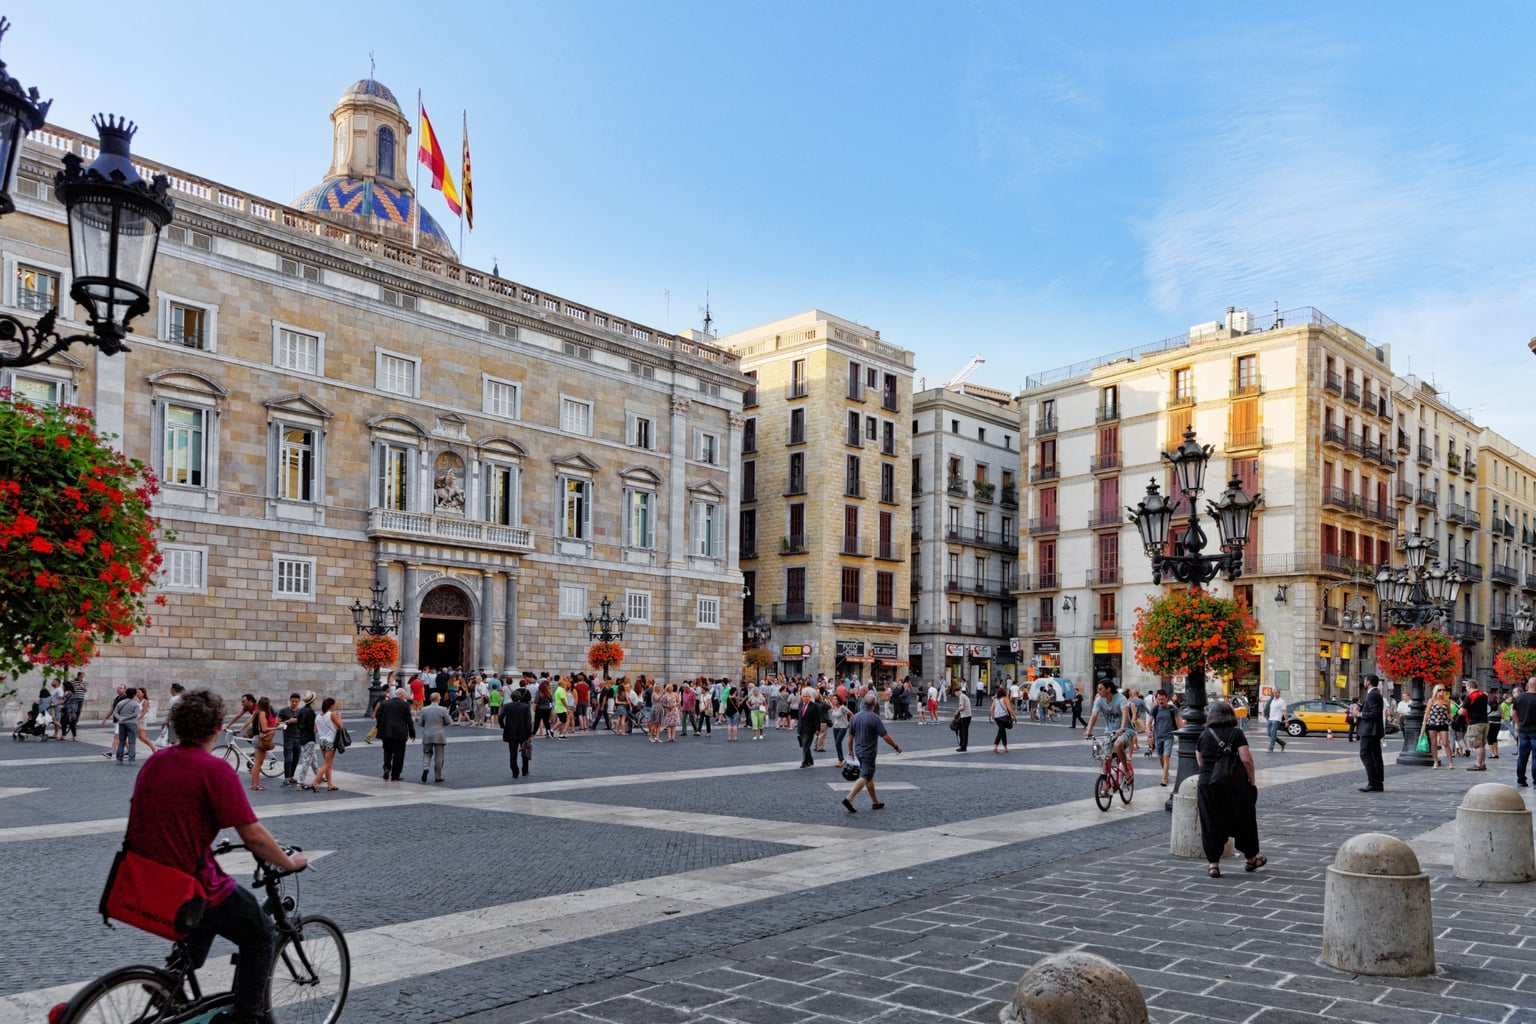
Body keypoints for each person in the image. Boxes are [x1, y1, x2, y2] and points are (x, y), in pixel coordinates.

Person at [123, 689, 308, 1024]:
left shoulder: (156, 761)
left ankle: (170, 983)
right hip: (190, 882)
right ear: (219, 725)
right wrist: (289, 861)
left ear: (176, 725)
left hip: (143, 875)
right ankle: (248, 1017)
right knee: (260, 934)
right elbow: (252, 835)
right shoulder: (215, 771)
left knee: (207, 918)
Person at [1195, 700, 1263, 878]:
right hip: (1235, 784)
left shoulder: (1204, 734)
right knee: (1244, 819)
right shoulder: (1237, 733)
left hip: (1207, 784)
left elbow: (1200, 761)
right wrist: (1252, 782)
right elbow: (1246, 760)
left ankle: (1213, 864)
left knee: (1210, 822)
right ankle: (1251, 859)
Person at [841, 694, 902, 812]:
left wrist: (850, 751)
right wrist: (896, 747)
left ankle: (875, 802)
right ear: (874, 705)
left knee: (869, 776)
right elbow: (885, 736)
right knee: (865, 776)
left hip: (858, 750)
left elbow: (850, 736)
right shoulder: (875, 718)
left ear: (863, 703)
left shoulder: (855, 717)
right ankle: (849, 798)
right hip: (869, 752)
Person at [1083, 679, 1133, 773]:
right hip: (1109, 731)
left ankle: (1126, 771)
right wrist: (1088, 731)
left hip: (1125, 730)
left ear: (1108, 689)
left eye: (1100, 689)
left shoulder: (1120, 699)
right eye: (1098, 689)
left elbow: (1125, 714)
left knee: (1117, 745)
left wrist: (1122, 728)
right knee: (1106, 758)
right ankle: (1107, 784)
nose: (1098, 691)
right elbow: (1094, 715)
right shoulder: (1099, 700)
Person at [375, 686, 415, 782]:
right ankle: (395, 774)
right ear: (401, 695)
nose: (404, 697)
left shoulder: (384, 704)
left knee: (387, 751)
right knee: (399, 754)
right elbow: (409, 720)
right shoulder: (405, 705)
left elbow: (378, 716)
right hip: (400, 733)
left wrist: (380, 727)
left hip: (386, 732)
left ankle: (386, 768)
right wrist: (412, 732)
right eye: (404, 695)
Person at [1357, 675, 1386, 792]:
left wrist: (1359, 714)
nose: (1364, 682)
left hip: (1370, 731)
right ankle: (1377, 783)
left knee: (1365, 754)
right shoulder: (1374, 694)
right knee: (1375, 756)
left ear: (1368, 682)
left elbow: (1374, 713)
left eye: (1364, 680)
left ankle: (1373, 782)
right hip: (1373, 730)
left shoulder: (1372, 694)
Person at [1147, 690, 1182, 787]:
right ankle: (1166, 772)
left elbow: (1178, 722)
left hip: (1169, 736)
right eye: (1159, 699)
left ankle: (1164, 779)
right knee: (1161, 757)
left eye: (1162, 699)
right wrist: (1149, 735)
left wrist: (1180, 734)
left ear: (1167, 698)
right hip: (1158, 737)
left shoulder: (1172, 709)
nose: (1161, 701)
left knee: (1166, 757)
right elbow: (1149, 722)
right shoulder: (1155, 709)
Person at [500, 683, 534, 777]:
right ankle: (525, 770)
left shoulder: (507, 706)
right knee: (525, 751)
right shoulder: (525, 707)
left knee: (513, 753)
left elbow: (500, 717)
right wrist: (530, 732)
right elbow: (528, 721)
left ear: (511, 697)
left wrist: (503, 726)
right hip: (523, 732)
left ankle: (515, 771)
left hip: (510, 732)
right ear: (520, 698)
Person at [311, 697, 343, 793]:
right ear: (331, 706)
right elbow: (340, 725)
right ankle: (315, 782)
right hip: (330, 741)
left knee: (328, 763)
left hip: (322, 741)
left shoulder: (317, 716)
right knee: (327, 763)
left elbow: (315, 730)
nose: (335, 706)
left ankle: (330, 785)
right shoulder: (331, 715)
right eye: (334, 705)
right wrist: (339, 718)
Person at [418, 691, 451, 783]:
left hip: (427, 734)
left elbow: (420, 723)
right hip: (439, 734)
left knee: (426, 753)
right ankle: (438, 776)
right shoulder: (443, 709)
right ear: (438, 699)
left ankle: (426, 768)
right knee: (439, 756)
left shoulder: (424, 709)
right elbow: (448, 722)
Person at [248, 696, 277, 791]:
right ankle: (256, 785)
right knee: (258, 763)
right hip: (260, 739)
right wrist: (276, 728)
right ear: (266, 705)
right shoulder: (262, 713)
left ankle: (253, 784)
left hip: (255, 737)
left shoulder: (257, 712)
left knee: (257, 763)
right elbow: (264, 729)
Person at [1422, 685, 1455, 768]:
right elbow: (1427, 712)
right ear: (1436, 691)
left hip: (1443, 723)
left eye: (1444, 690)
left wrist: (1451, 719)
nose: (1442, 692)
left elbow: (1449, 712)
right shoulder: (1431, 700)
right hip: (1432, 723)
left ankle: (1450, 762)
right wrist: (1424, 722)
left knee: (1445, 743)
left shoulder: (1447, 701)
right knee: (1434, 743)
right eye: (1440, 690)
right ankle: (1435, 761)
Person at [275, 692, 303, 787]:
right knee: (288, 759)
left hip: (298, 738)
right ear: (290, 700)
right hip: (288, 738)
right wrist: (288, 721)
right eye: (292, 701)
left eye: (296, 701)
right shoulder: (284, 711)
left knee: (296, 759)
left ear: (299, 701)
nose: (294, 703)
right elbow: (277, 725)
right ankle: (286, 779)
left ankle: (291, 777)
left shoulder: (301, 711)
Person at [1513, 678, 1536, 788]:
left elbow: (1514, 713)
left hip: (1523, 731)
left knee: (1522, 757)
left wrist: (1519, 723)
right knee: (1535, 758)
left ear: (1528, 685)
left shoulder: (1520, 697)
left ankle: (1521, 779)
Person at [293, 692, 319, 790]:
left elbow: (299, 725)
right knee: (307, 761)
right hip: (309, 738)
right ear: (312, 701)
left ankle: (319, 776)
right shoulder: (311, 712)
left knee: (313, 759)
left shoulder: (301, 710)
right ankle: (300, 782)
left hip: (302, 737)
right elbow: (312, 728)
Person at [1463, 681, 1491, 772]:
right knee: (1482, 744)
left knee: (1477, 745)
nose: (1466, 689)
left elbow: (1462, 711)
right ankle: (1482, 763)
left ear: (1470, 687)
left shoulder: (1470, 697)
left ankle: (1478, 764)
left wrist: (1458, 712)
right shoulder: (1484, 695)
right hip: (1485, 722)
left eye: (1466, 687)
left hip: (1475, 723)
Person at [797, 687, 824, 767]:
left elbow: (817, 718)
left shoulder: (814, 706)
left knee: (805, 745)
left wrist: (817, 729)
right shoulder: (800, 705)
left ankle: (805, 762)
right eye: (804, 696)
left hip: (809, 729)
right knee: (805, 746)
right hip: (801, 728)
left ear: (810, 697)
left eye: (807, 696)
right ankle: (810, 760)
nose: (805, 698)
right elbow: (800, 717)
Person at [989, 685, 1016, 754]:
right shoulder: (1005, 698)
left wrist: (993, 717)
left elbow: (991, 709)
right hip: (1003, 717)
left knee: (1002, 731)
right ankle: (995, 746)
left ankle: (1005, 747)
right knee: (1000, 732)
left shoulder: (995, 699)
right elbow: (1009, 709)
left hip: (997, 717)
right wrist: (1014, 717)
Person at [952, 687, 972, 752]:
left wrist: (957, 711)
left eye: (955, 694)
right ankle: (963, 745)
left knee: (963, 732)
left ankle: (963, 746)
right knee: (963, 731)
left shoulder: (961, 697)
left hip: (965, 716)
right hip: (967, 715)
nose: (956, 695)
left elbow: (962, 707)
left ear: (957, 692)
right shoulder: (964, 696)